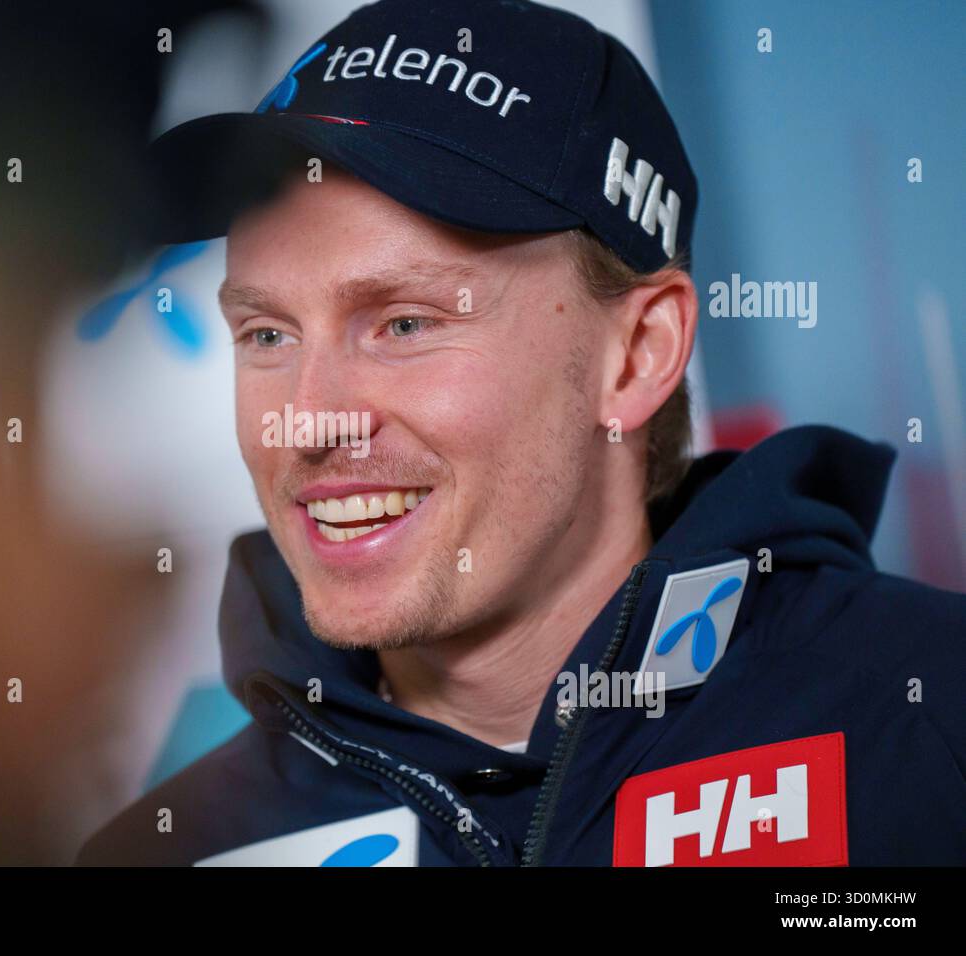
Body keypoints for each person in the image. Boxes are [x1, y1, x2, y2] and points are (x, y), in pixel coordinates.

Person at [77, 0, 966, 866]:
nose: (308, 421)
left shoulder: (927, 721)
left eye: (405, 324)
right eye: (268, 335)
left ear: (637, 355)